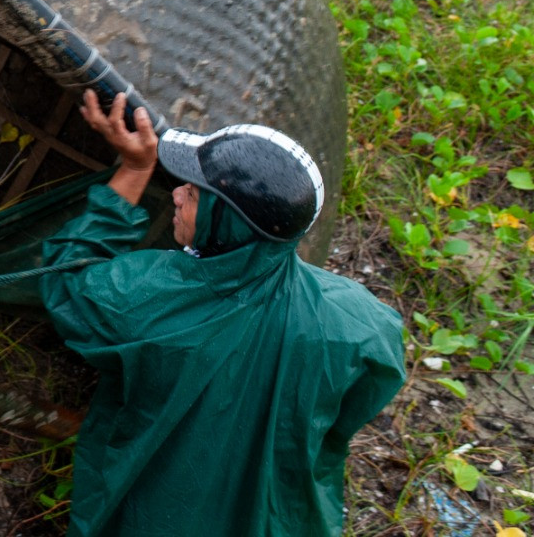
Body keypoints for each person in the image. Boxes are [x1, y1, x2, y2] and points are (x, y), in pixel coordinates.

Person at [42, 91, 405, 536]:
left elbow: (66, 277)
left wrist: (136, 169)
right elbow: (357, 405)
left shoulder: (145, 298)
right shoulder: (362, 324)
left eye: (193, 194)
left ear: (226, 223)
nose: (174, 194)